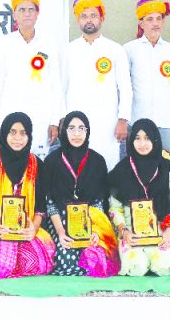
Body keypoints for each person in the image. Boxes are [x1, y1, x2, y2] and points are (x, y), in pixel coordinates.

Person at [0, 112, 56, 278]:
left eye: (23, 133)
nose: (18, 138)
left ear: (29, 136)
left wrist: (34, 228)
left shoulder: (37, 164)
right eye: (13, 132)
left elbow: (40, 205)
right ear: (4, 134)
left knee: (37, 263)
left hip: (27, 227)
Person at [41, 111, 119, 277]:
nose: (77, 134)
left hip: (90, 219)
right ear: (64, 131)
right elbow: (50, 202)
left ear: (87, 131)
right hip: (60, 219)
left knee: (95, 260)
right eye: (71, 128)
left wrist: (96, 231)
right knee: (66, 261)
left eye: (81, 128)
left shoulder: (97, 161)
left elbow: (99, 201)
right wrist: (60, 232)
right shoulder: (52, 161)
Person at [60, 0, 132, 170]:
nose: (89, 20)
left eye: (93, 15)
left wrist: (123, 119)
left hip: (107, 121)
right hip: (76, 122)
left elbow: (125, 88)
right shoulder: (68, 50)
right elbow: (61, 88)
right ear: (78, 20)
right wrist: (61, 118)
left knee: (107, 166)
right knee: (76, 167)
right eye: (84, 16)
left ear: (102, 18)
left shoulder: (115, 49)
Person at [107, 119, 170, 277]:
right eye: (137, 138)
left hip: (160, 229)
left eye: (147, 138)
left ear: (155, 140)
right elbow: (114, 207)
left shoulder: (166, 167)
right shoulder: (122, 169)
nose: (142, 143)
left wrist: (169, 231)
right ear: (131, 140)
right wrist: (124, 232)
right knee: (136, 268)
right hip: (131, 232)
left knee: (164, 268)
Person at [0, 0, 62, 158]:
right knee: (12, 160)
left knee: (38, 162)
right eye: (22, 9)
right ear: (14, 15)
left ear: (37, 14)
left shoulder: (49, 43)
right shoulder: (4, 43)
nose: (27, 14)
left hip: (41, 115)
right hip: (11, 112)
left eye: (31, 9)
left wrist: (55, 120)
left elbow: (56, 82)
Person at [124, 0, 170, 163]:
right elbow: (124, 86)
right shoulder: (129, 49)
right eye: (150, 19)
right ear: (141, 23)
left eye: (159, 18)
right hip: (139, 121)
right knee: (138, 168)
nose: (155, 23)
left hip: (168, 123)